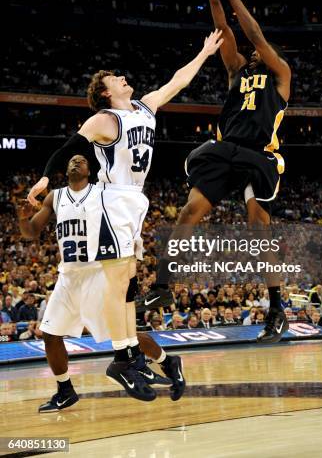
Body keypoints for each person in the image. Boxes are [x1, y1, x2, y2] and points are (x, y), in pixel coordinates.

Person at [27, 31, 222, 400]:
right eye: (114, 78)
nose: (122, 77)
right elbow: (70, 146)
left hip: (135, 201)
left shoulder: (146, 107)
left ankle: (140, 358)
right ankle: (126, 358)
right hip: (111, 199)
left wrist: (203, 53)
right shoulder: (104, 119)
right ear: (105, 92)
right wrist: (42, 178)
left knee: (127, 282)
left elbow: (177, 81)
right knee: (118, 281)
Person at [144, 0, 291, 343]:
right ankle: (163, 283)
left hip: (258, 154)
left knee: (259, 231)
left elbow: (254, 34)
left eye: (261, 49)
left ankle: (276, 309)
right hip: (226, 150)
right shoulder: (236, 72)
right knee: (188, 212)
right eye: (255, 50)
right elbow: (225, 31)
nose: (255, 49)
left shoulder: (280, 74)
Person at [18, 155, 179, 410]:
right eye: (71, 160)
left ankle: (166, 360)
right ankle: (65, 390)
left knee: (126, 336)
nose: (75, 162)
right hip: (68, 277)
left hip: (98, 274)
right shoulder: (55, 197)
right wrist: (22, 216)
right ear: (65, 168)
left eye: (81, 160)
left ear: (90, 169)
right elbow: (30, 233)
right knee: (50, 335)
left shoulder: (103, 193)